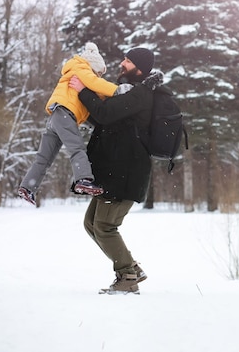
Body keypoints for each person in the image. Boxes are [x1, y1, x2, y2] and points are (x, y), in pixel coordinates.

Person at [69, 47, 161, 295]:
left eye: (128, 61)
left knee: (105, 226)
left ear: (139, 68)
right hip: (112, 170)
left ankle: (127, 276)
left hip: (126, 171)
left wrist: (83, 91)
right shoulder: (127, 92)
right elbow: (102, 120)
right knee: (91, 224)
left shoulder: (141, 93)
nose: (122, 63)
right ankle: (131, 269)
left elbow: (106, 114)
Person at [18, 42, 119, 205]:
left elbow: (97, 94)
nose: (98, 76)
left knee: (44, 157)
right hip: (64, 114)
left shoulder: (77, 72)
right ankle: (84, 179)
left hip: (55, 118)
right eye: (98, 73)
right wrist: (118, 90)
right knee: (77, 148)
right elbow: (96, 84)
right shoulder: (81, 68)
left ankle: (27, 186)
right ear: (93, 66)